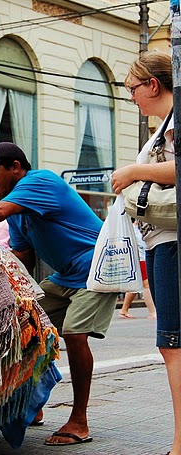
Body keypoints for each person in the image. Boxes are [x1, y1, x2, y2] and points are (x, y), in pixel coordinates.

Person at [0, 142, 118, 446]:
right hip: (65, 276)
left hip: (95, 269)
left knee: (75, 334)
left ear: (15, 166)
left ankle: (79, 420)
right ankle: (31, 403)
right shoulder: (16, 210)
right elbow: (22, 255)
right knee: (19, 323)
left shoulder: (39, 180)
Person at [111, 50, 179, 455]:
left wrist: (135, 171)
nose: (132, 97)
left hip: (170, 241)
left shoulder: (174, 122)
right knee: (171, 344)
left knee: (173, 344)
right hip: (161, 240)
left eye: (133, 88)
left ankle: (179, 444)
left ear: (153, 85)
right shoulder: (164, 126)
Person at [119, 218, 156, 319]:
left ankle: (124, 309)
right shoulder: (132, 228)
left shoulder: (141, 228)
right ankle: (152, 312)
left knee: (136, 285)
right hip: (140, 258)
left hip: (141, 257)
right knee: (146, 285)